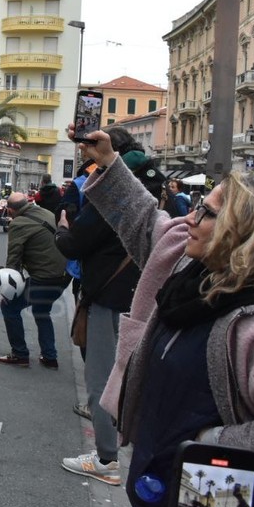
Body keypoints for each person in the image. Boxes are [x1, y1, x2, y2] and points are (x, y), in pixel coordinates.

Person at [73, 127, 254, 507]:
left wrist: (208, 442)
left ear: (240, 231)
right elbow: (144, 220)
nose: (190, 219)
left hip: (212, 491)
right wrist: (108, 161)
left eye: (207, 212)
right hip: (159, 473)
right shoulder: (191, 268)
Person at [55, 127, 165, 487]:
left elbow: (75, 242)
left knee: (103, 377)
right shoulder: (157, 184)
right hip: (143, 298)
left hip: (111, 295)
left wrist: (63, 226)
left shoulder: (112, 196)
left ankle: (106, 459)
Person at [0, 192, 69, 369]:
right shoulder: (46, 212)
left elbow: (14, 258)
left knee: (9, 307)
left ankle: (19, 354)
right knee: (42, 311)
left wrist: (8, 290)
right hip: (63, 277)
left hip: (44, 279)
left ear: (10, 210)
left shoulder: (18, 223)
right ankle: (50, 357)